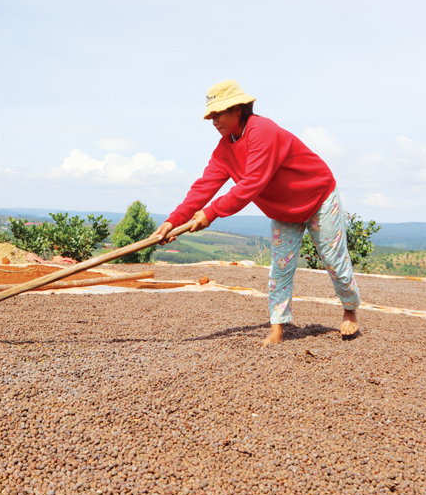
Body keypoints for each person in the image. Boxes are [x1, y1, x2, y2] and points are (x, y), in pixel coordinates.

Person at [152, 80, 360, 346]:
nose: (214, 121)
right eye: (211, 115)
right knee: (280, 267)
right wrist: (174, 220)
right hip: (283, 210)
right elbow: (203, 187)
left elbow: (252, 183)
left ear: (238, 108)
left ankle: (350, 309)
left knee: (333, 259)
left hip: (318, 196)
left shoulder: (263, 131)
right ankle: (278, 328)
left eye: (219, 113)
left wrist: (211, 213)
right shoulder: (224, 149)